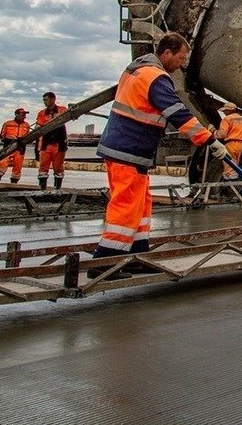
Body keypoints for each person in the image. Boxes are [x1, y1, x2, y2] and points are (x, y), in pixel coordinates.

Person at [91, 32, 227, 279]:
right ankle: (104, 262)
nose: (182, 63)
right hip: (127, 150)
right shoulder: (155, 77)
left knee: (142, 206)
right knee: (126, 206)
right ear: (167, 53)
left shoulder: (138, 70)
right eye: (181, 57)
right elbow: (178, 113)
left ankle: (135, 256)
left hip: (131, 150)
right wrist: (208, 139)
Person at [35, 91, 69, 190]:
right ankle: (42, 188)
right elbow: (39, 125)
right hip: (46, 143)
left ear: (53, 99)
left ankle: (57, 188)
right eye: (43, 100)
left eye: (46, 100)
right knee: (43, 167)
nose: (44, 102)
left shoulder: (62, 110)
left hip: (59, 143)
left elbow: (67, 116)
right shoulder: (42, 113)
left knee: (58, 167)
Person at [214, 102, 242, 180]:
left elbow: (222, 134)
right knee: (235, 164)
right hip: (241, 145)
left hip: (231, 144)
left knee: (229, 164)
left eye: (225, 110)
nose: (224, 112)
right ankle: (234, 179)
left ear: (229, 111)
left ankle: (230, 182)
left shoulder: (227, 119)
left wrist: (213, 132)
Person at [0, 107, 32, 187]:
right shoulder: (8, 124)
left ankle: (13, 184)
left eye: (25, 115)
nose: (24, 116)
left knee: (17, 167)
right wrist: (10, 139)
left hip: (20, 149)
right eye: (22, 114)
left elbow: (28, 137)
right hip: (8, 147)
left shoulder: (27, 125)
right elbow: (2, 136)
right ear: (16, 114)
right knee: (2, 164)